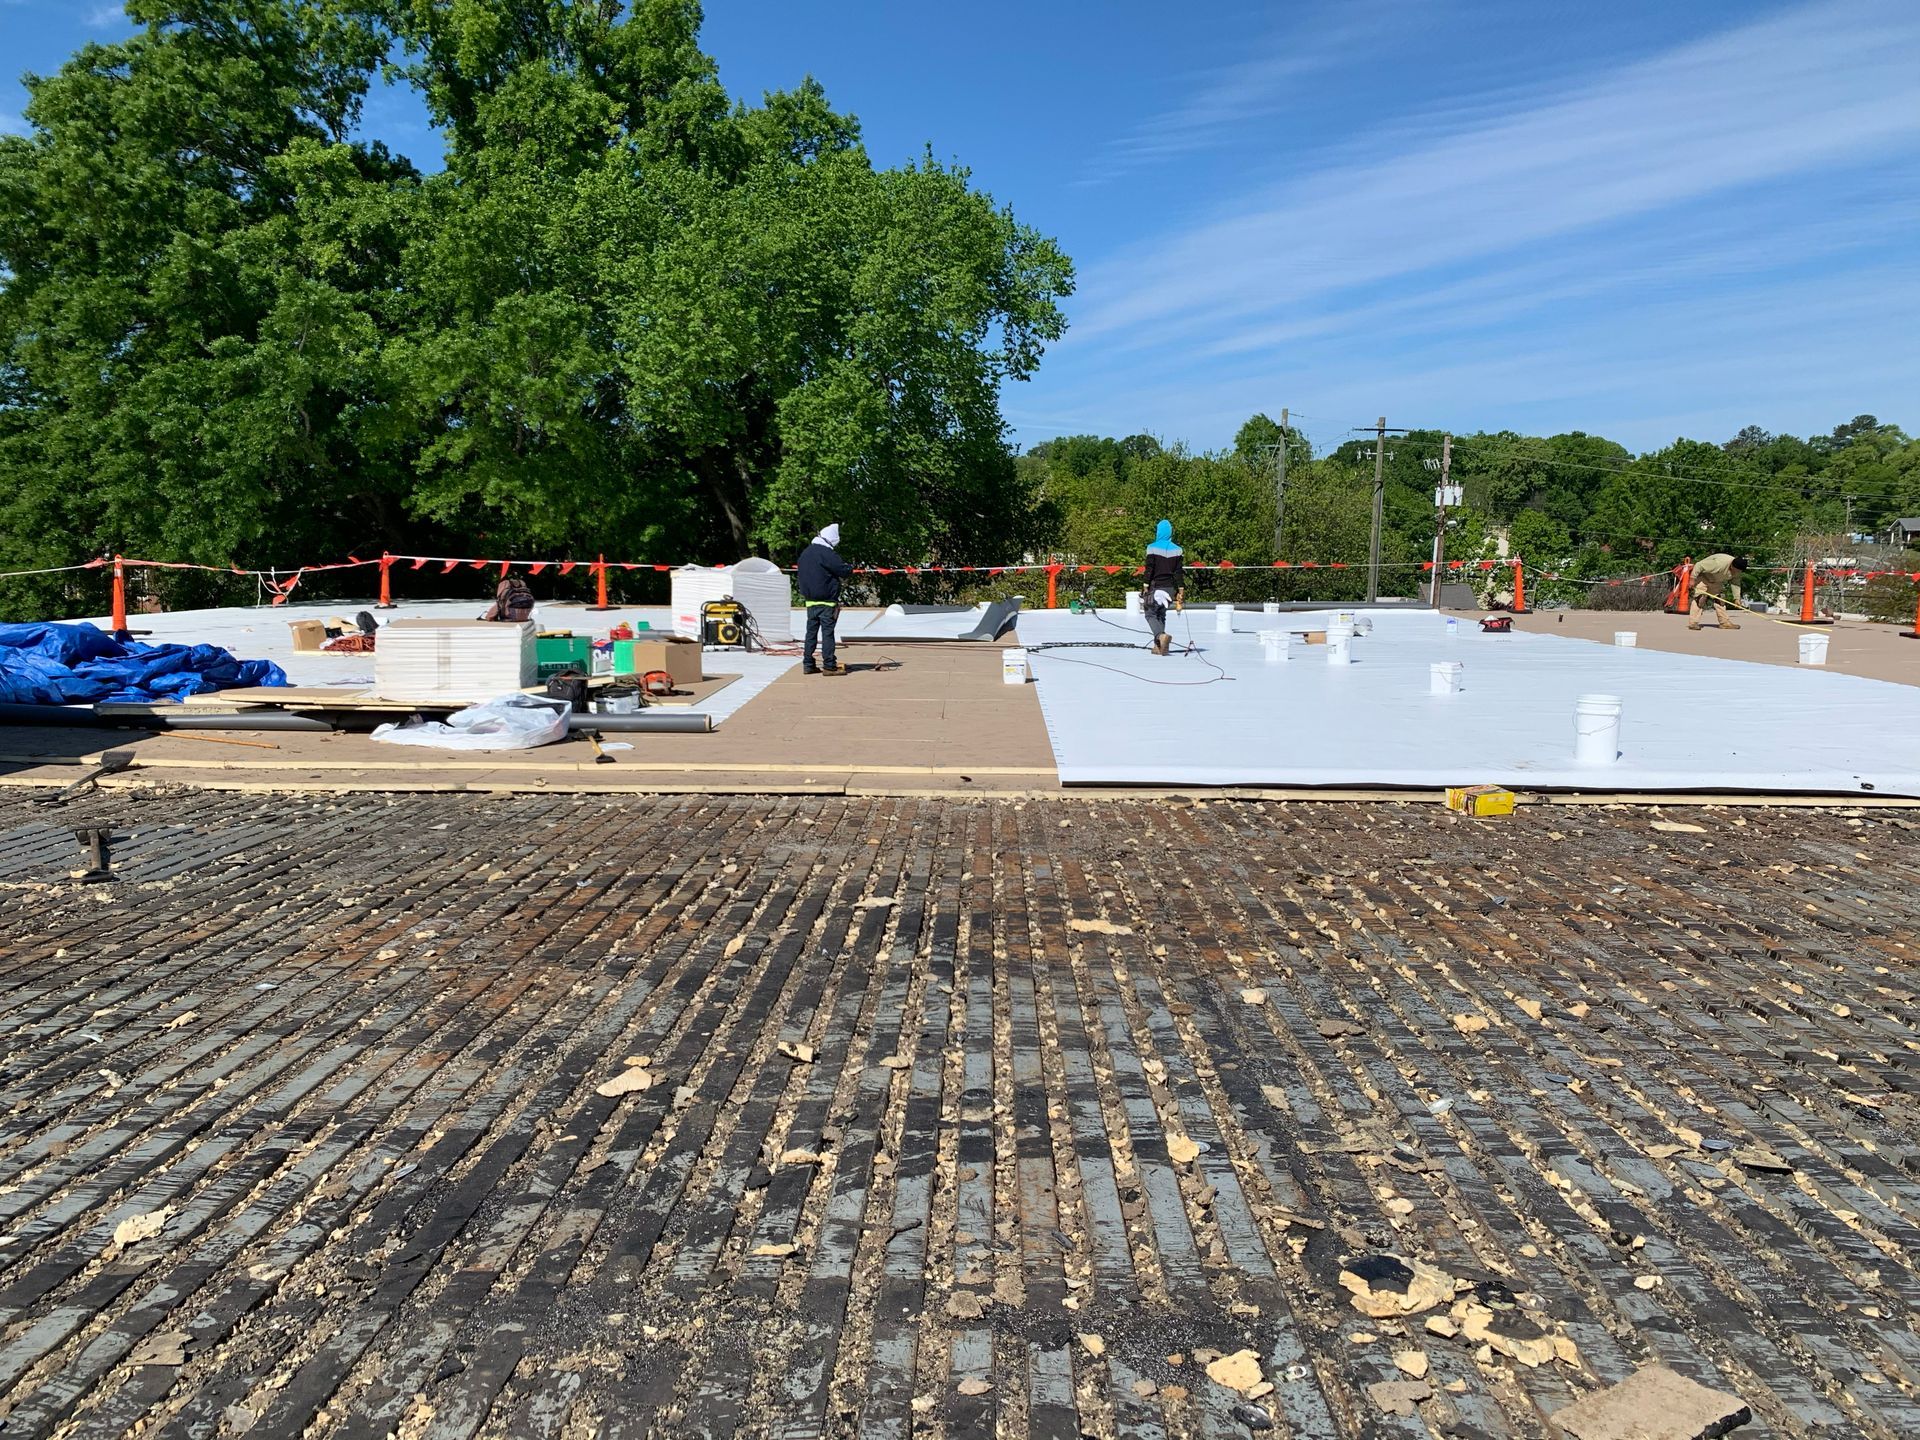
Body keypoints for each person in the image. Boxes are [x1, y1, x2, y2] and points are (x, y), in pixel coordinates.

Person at [797, 522, 853, 675]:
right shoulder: (826, 553)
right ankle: (829, 665)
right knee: (827, 633)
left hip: (810, 601)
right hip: (826, 601)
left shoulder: (806, 553)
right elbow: (842, 570)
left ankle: (808, 664)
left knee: (811, 633)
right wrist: (850, 568)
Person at [1142, 519, 1184, 656]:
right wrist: (1181, 590)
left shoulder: (1152, 547)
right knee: (1161, 614)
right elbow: (1178, 572)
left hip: (1155, 587)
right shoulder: (1178, 550)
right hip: (1170, 588)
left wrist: (1145, 586)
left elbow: (1149, 569)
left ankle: (1161, 636)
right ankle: (1159, 647)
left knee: (1150, 613)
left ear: (1158, 531)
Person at [1688, 554, 1747, 631]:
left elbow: (1735, 583)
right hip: (1703, 578)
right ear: (1732, 566)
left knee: (1721, 600)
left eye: (1740, 571)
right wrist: (1692, 578)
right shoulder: (1719, 564)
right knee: (1700, 599)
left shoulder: (1737, 571)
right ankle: (1693, 623)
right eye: (1737, 571)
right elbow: (1699, 565)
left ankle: (1725, 623)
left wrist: (1736, 598)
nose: (1737, 572)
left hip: (1717, 581)